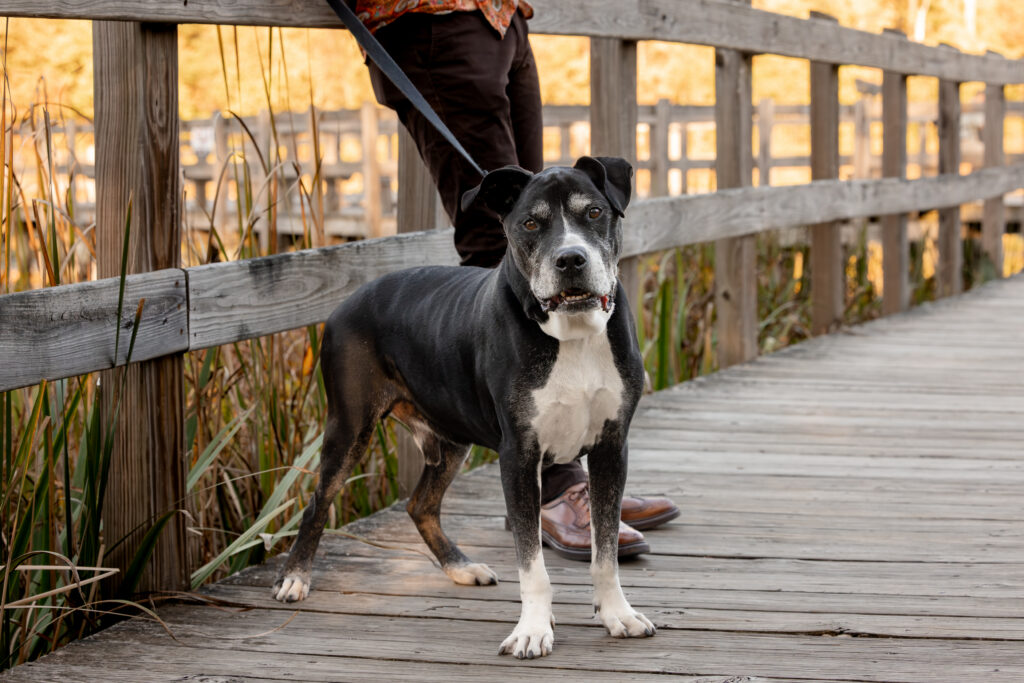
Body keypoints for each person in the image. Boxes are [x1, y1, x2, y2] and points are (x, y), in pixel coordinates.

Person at [354, 0, 679, 560]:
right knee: (498, 237)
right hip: (434, 21)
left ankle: (575, 468)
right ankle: (550, 487)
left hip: (501, 16)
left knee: (544, 209)